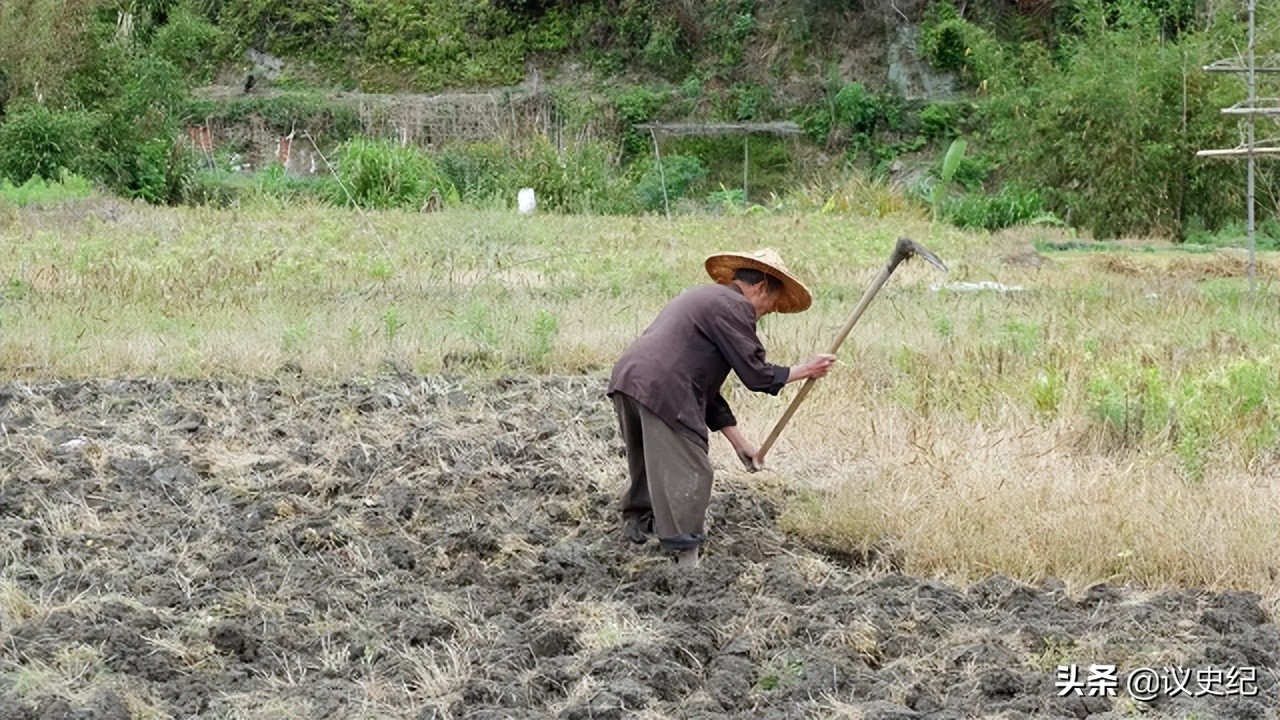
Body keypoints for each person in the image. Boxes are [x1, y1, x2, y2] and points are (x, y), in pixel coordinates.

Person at [607, 248, 836, 569]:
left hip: (630, 379)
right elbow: (756, 375)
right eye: (770, 305)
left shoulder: (707, 299)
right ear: (760, 287)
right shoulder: (735, 306)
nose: (766, 313)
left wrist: (742, 446)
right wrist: (805, 370)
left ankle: (639, 529)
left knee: (650, 463)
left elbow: (709, 394)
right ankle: (683, 558)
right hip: (664, 386)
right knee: (693, 471)